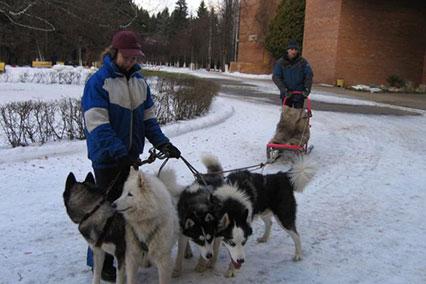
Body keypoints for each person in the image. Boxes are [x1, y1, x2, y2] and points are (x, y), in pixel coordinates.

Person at [81, 30, 180, 282]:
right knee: (104, 213)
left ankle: (124, 257)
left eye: (135, 57)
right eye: (126, 57)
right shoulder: (98, 83)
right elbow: (97, 125)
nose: (131, 62)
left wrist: (164, 144)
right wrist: (120, 153)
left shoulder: (140, 82)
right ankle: (98, 262)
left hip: (129, 158)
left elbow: (149, 121)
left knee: (127, 210)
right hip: (106, 158)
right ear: (114, 53)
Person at [272, 39, 313, 109]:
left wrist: (307, 88)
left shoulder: (303, 62)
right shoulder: (281, 62)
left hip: (299, 94)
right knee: (287, 117)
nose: (294, 51)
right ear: (287, 50)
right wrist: (284, 89)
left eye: (295, 49)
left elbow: (309, 75)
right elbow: (276, 77)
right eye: (291, 49)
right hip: (287, 94)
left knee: (298, 116)